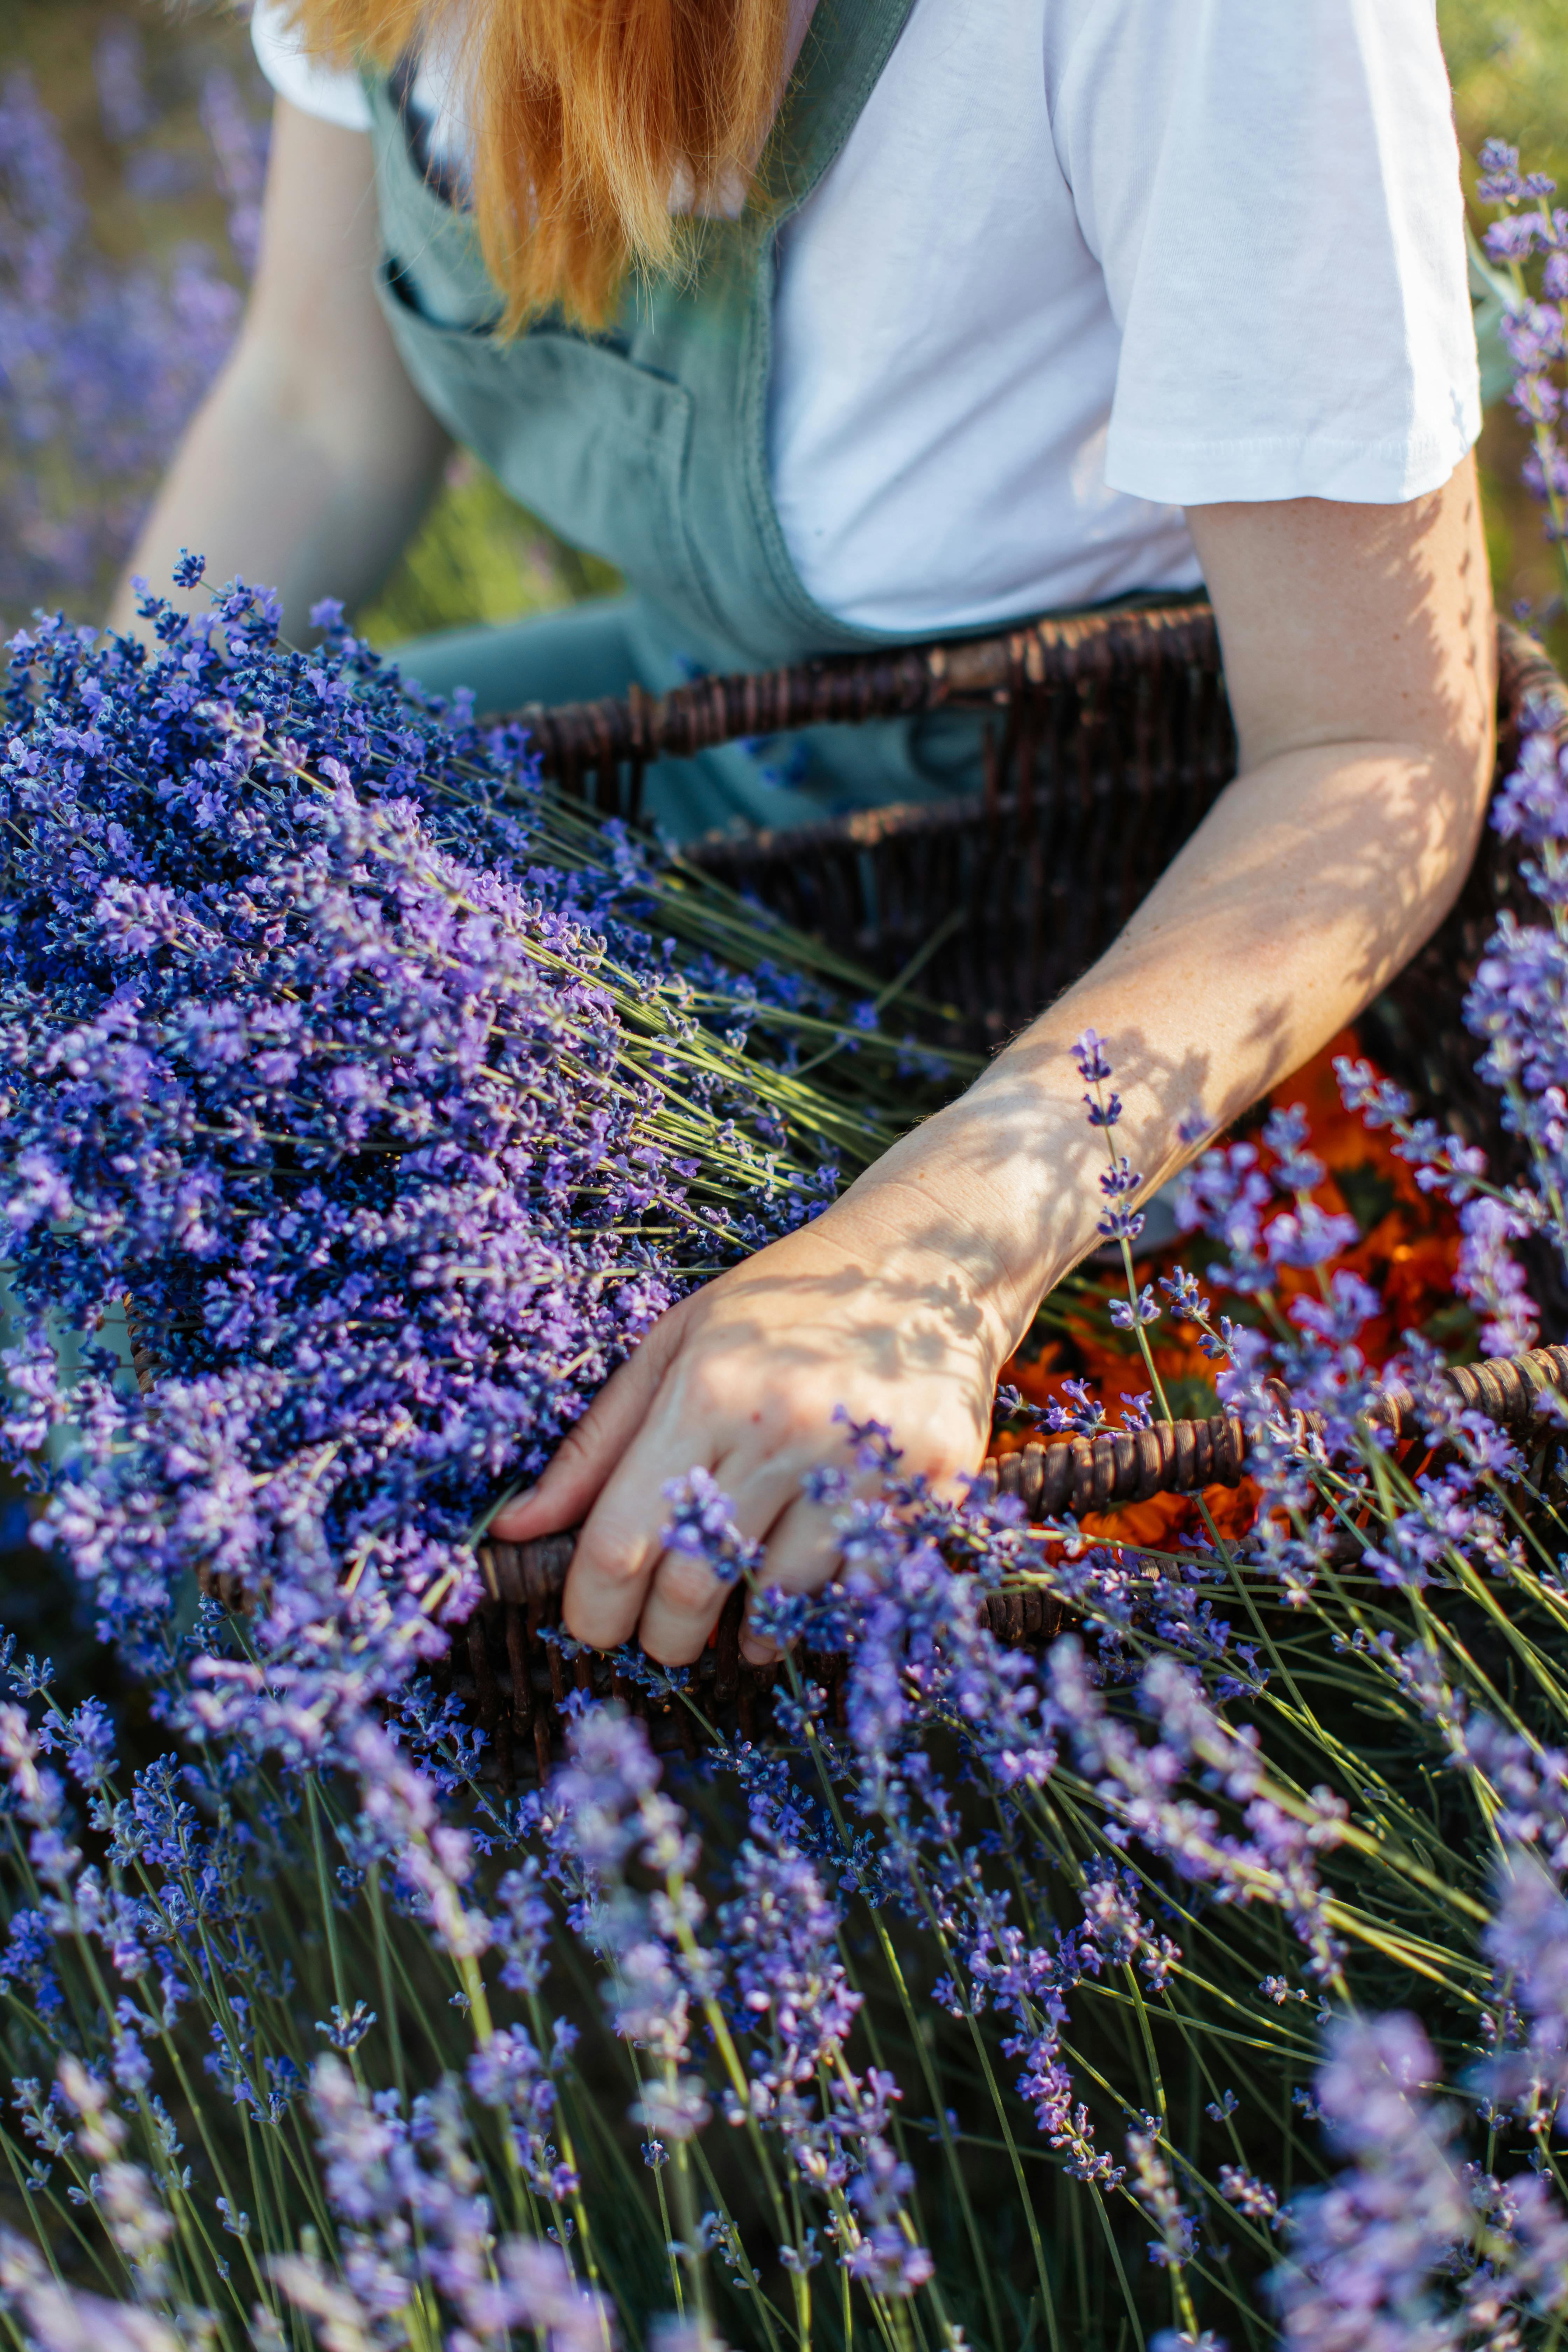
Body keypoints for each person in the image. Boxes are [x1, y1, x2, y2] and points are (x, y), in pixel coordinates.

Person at [112, 0, 1496, 1671]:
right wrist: (94, 818)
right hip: (698, 728)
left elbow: (1372, 751)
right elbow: (315, 404)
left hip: (1097, 940)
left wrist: (924, 1271)